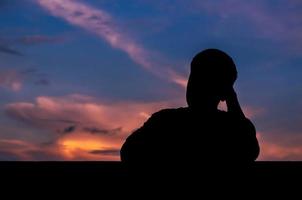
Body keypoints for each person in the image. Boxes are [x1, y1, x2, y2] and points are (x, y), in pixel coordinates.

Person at [120, 49, 260, 170]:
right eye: (194, 78)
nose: (194, 86)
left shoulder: (232, 127)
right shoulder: (165, 120)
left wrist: (232, 100)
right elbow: (128, 153)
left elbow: (249, 151)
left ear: (223, 92)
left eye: (204, 80)